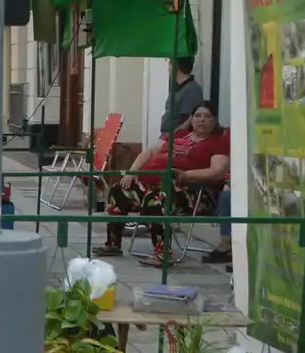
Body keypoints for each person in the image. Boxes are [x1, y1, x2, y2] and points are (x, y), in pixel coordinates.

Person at [94, 102, 230, 261]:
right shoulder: (179, 135)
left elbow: (217, 171)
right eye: (197, 116)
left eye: (207, 116)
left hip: (193, 191)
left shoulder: (218, 142)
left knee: (155, 199)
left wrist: (185, 175)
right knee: (118, 191)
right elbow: (150, 152)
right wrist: (132, 172)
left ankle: (162, 254)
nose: (201, 120)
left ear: (214, 121)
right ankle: (113, 244)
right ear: (191, 119)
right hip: (153, 186)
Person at [161, 57, 204, 135]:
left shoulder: (192, 89)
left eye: (169, 65)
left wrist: (172, 136)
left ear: (176, 66)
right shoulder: (177, 88)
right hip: (167, 137)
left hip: (177, 139)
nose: (168, 69)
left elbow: (188, 119)